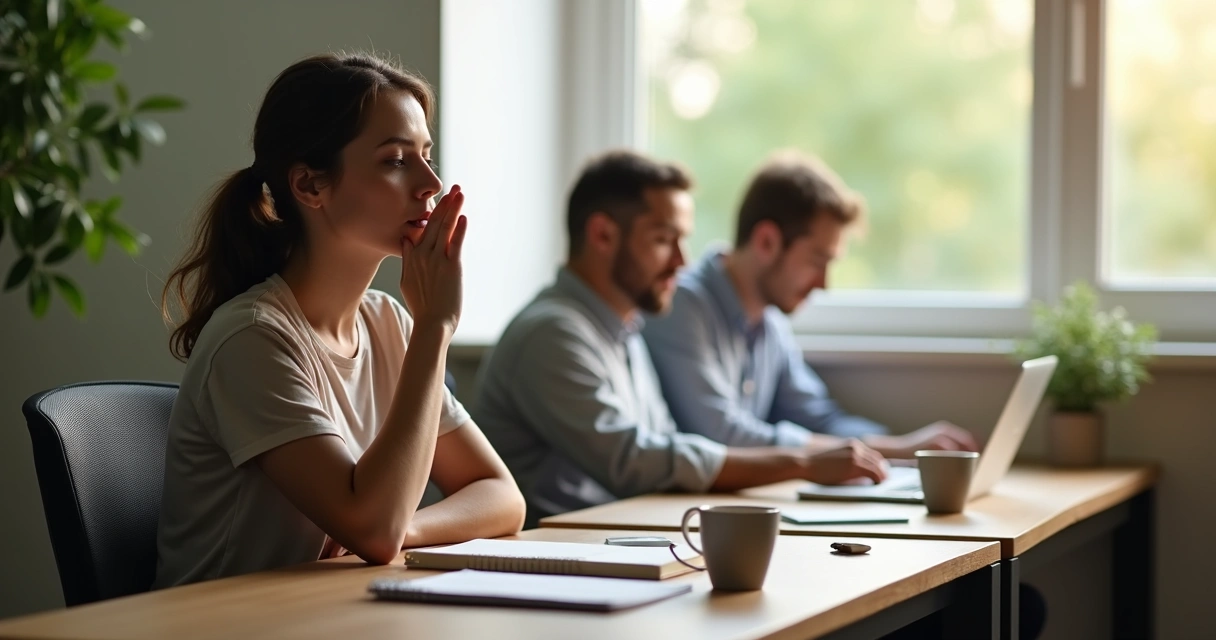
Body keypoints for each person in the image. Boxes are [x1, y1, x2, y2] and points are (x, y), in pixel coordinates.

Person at [154, 53, 525, 587]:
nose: (430, 183)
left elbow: (501, 495)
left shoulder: (388, 324)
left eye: (426, 155)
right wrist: (435, 327)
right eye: (396, 160)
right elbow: (374, 530)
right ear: (309, 186)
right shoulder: (253, 338)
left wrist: (409, 530)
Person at [474, 150, 889, 526]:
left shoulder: (625, 333)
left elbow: (666, 444)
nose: (681, 261)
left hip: (609, 542)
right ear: (602, 236)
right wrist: (802, 462)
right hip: (548, 559)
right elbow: (634, 462)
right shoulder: (552, 333)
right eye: (662, 240)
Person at [643, 150, 978, 457]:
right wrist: (892, 451)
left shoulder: (770, 323)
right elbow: (723, 436)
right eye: (817, 261)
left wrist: (902, 449)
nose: (823, 284)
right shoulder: (681, 306)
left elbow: (819, 418)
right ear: (766, 242)